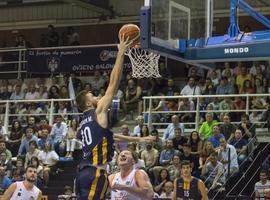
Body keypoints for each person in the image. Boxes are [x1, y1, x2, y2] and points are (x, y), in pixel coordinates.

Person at [75, 35, 155, 200]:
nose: (98, 97)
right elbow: (113, 83)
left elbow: (110, 136)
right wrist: (121, 53)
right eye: (93, 96)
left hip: (83, 173)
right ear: (88, 104)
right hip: (95, 173)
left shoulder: (83, 123)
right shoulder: (97, 112)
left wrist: (139, 140)